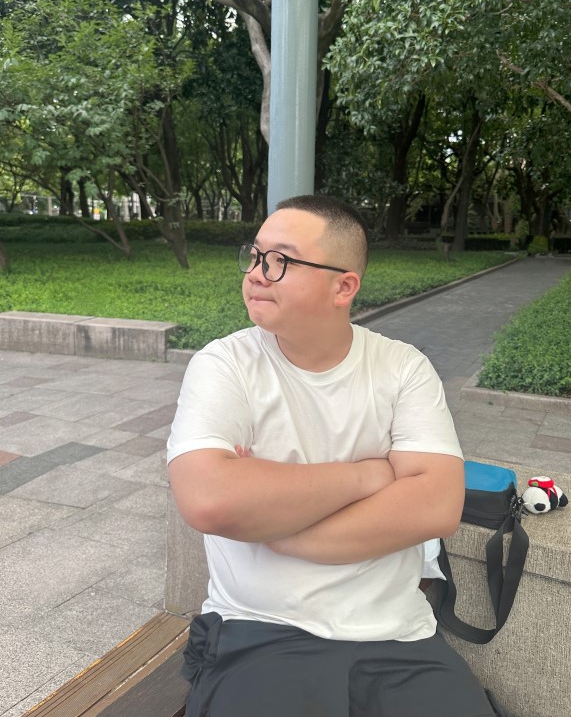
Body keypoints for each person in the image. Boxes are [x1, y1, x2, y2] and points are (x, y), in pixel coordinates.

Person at [167, 194, 498, 716]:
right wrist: (368, 477)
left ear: (343, 287)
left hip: (397, 636)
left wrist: (280, 530)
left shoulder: (402, 368)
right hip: (260, 631)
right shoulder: (224, 365)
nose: (257, 274)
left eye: (281, 261)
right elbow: (210, 499)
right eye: (255, 256)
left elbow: (437, 506)